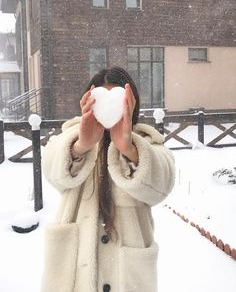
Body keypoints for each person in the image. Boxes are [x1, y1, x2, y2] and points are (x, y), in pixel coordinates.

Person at [40, 66, 175, 292]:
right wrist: (81, 145)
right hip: (74, 268)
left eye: (118, 100)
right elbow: (53, 173)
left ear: (131, 104)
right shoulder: (71, 137)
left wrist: (130, 149)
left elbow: (161, 186)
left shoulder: (146, 142)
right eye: (101, 100)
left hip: (127, 271)